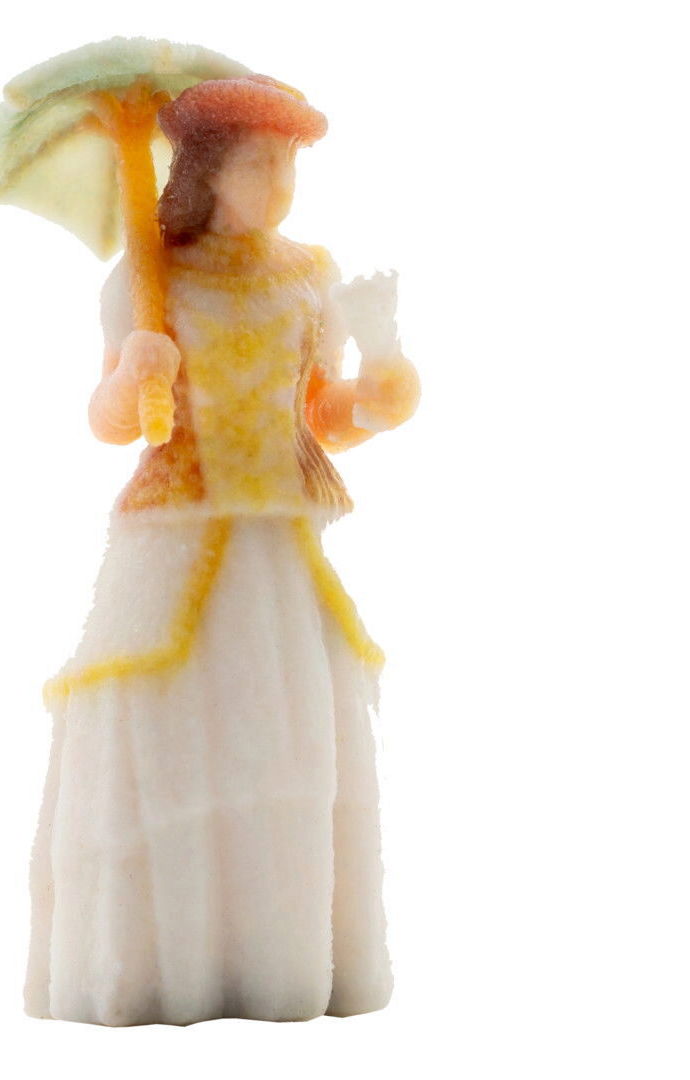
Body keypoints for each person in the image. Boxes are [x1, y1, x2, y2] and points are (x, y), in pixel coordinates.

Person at [26, 74, 421, 1026]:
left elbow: (319, 415)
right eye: (256, 164)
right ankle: (164, 961)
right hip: (177, 542)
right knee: (173, 727)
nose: (278, 185)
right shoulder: (147, 282)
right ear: (205, 171)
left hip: (278, 551)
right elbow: (110, 421)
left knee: (284, 731)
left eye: (289, 165)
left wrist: (379, 394)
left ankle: (277, 953)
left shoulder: (308, 276)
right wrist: (133, 377)